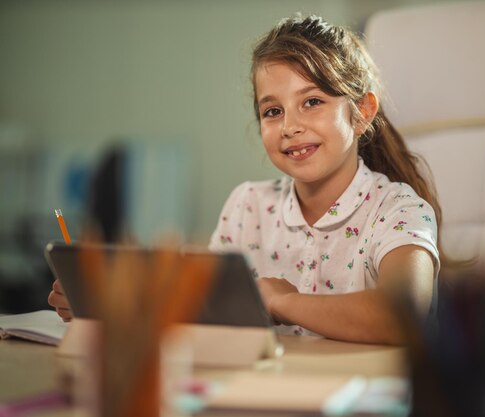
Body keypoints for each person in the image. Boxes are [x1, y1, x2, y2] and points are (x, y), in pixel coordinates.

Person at [49, 14, 445, 345]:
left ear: (361, 113)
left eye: (312, 102)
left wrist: (282, 301)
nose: (290, 126)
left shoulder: (399, 210)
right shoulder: (247, 206)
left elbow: (402, 315)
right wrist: (104, 302)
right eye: (273, 111)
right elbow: (200, 313)